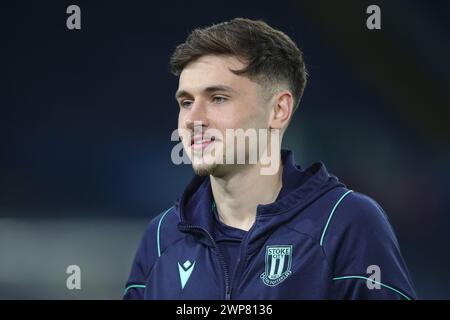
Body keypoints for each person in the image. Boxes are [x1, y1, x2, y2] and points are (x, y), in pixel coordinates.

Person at [124, 18, 416, 300]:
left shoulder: (346, 224)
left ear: (279, 110)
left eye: (218, 98)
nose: (193, 119)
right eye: (186, 102)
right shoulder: (162, 237)